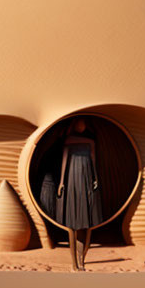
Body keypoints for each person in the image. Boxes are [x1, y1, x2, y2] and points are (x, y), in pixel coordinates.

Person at [55, 116, 103, 271]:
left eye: (84, 123)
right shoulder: (69, 140)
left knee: (86, 224)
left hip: (87, 177)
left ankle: (82, 260)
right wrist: (62, 182)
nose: (82, 126)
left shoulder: (91, 140)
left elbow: (93, 158)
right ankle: (74, 263)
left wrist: (95, 176)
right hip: (73, 179)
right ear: (75, 125)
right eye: (79, 123)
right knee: (73, 223)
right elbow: (64, 159)